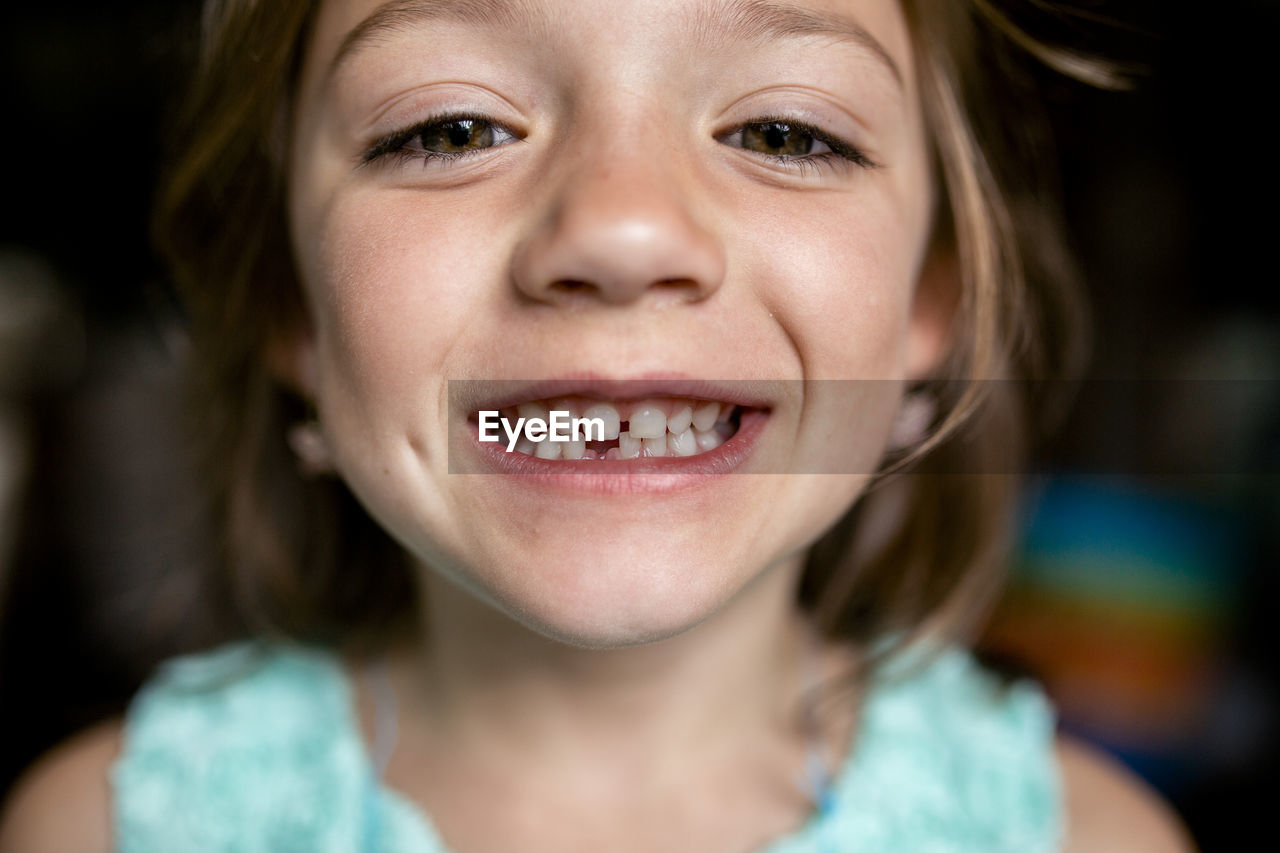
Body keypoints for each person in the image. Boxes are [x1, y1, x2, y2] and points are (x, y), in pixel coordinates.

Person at [0, 0, 1193, 850]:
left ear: (927, 300)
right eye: (451, 128)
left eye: (784, 134)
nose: (621, 234)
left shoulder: (1089, 840)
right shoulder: (102, 829)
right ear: (288, 300)